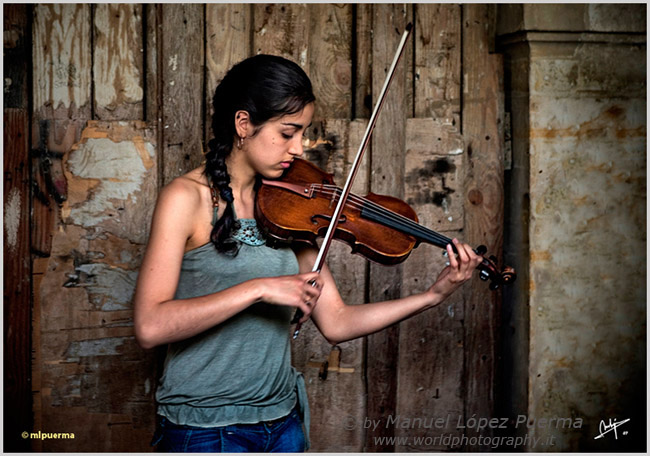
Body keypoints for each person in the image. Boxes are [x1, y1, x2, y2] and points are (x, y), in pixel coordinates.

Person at [134, 54, 482, 453]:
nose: (299, 149)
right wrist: (258, 289)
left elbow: (336, 321)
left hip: (283, 426)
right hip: (205, 431)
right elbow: (150, 325)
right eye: (288, 133)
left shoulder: (292, 208)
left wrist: (432, 297)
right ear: (243, 124)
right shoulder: (186, 199)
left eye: (303, 133)